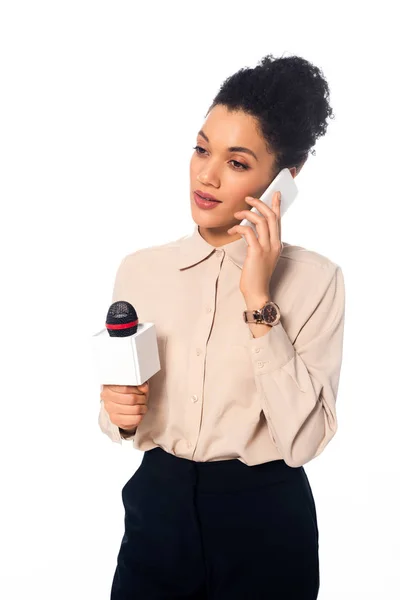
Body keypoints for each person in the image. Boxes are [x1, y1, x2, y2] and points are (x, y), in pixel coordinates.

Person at [99, 53, 346, 599]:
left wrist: (258, 297)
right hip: (156, 513)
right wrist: (115, 412)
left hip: (265, 522)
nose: (206, 175)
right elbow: (124, 414)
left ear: (284, 178)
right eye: (201, 148)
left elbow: (303, 440)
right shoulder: (141, 270)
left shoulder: (316, 281)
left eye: (237, 162)